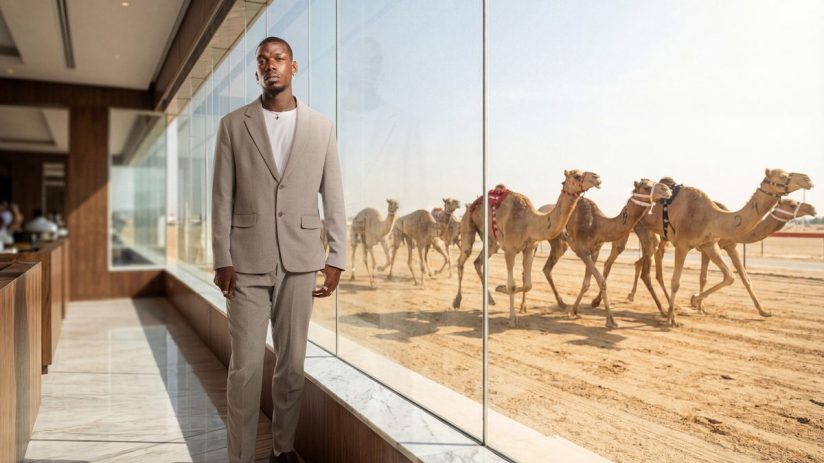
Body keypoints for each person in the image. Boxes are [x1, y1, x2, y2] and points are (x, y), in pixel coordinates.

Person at [211, 36, 346, 463]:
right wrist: (221, 257)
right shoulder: (233, 125)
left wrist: (337, 256)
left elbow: (333, 195)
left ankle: (283, 449)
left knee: (292, 366)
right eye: (263, 60)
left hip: (301, 260)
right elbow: (220, 197)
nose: (271, 65)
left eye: (279, 58)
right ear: (257, 70)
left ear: (294, 67)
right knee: (245, 369)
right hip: (245, 263)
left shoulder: (321, 127)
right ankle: (240, 456)